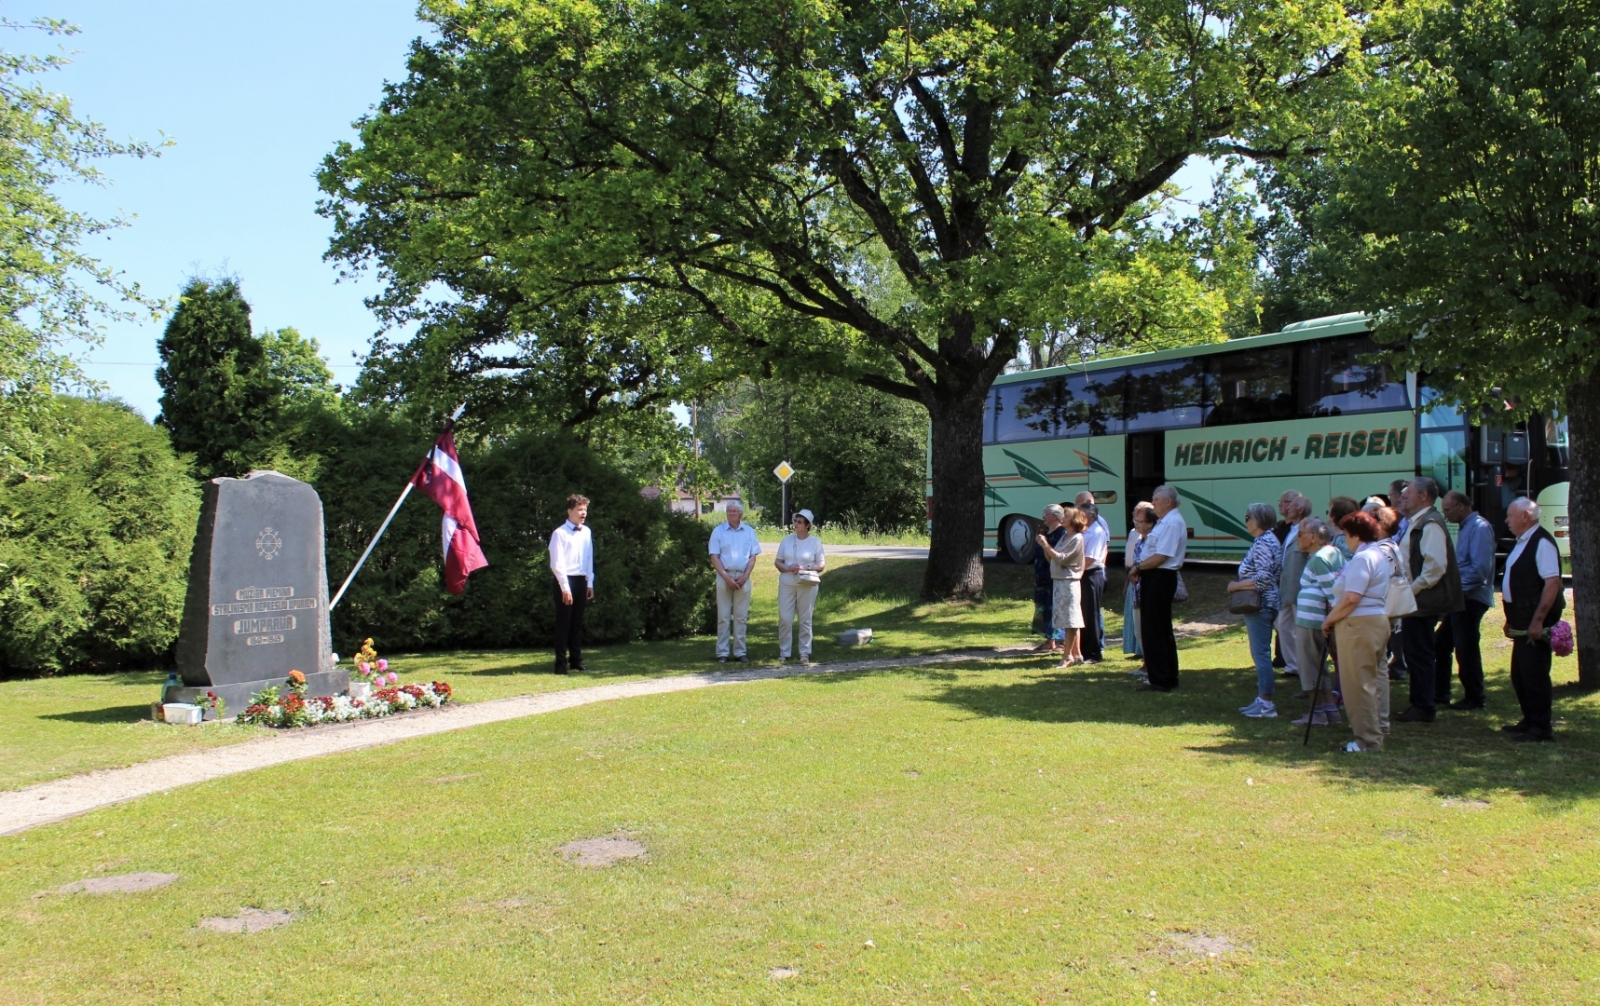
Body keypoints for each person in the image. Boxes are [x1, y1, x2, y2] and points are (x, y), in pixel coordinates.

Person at [1322, 511, 1396, 752]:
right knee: (1372, 679)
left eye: (1346, 535)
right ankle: (1377, 728)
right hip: (1375, 621)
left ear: (1356, 535)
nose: (1344, 540)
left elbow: (1352, 597)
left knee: (1357, 685)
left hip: (1359, 624)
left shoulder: (1363, 558)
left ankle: (1367, 740)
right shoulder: (1378, 554)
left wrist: (1329, 620)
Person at [1395, 477, 1465, 724]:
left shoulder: (1431, 523)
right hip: (1416, 600)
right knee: (1416, 652)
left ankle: (1424, 706)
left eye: (1409, 493)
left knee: (1420, 653)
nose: (1404, 497)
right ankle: (1420, 703)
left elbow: (1435, 567)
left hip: (1422, 602)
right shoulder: (1420, 521)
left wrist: (1411, 591)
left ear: (1423, 496)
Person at [1500, 498, 1565, 742]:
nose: (1506, 520)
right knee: (1520, 675)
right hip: (1521, 622)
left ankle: (1541, 727)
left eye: (1510, 515)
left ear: (1526, 515)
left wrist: (1538, 620)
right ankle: (1529, 719)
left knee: (1535, 676)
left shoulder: (1542, 542)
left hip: (1533, 624)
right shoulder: (1524, 541)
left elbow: (1552, 583)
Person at [1436, 490, 1494, 710]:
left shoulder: (1479, 528)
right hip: (1460, 598)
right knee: (1441, 643)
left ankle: (1475, 697)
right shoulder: (1467, 527)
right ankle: (1440, 692)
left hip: (1470, 598)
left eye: (1448, 510)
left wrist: (1456, 591)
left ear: (1461, 506)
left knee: (1466, 647)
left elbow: (1479, 570)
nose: (1446, 515)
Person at [1128, 485, 1186, 692]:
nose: (1153, 503)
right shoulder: (1165, 522)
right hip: (1153, 576)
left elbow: (1162, 556)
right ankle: (1163, 676)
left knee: (1156, 630)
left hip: (1160, 577)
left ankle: (1162, 679)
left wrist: (1138, 567)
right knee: (1156, 628)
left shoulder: (1172, 523)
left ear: (1168, 501)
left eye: (1156, 499)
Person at [1229, 502, 1283, 718]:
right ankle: (1262, 699)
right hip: (1265, 603)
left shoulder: (1263, 543)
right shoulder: (1267, 540)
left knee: (1260, 653)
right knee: (1260, 652)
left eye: (1248, 517)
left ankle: (1267, 703)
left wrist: (1235, 586)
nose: (1246, 521)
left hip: (1260, 604)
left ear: (1257, 520)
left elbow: (1263, 578)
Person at [1292, 518, 1345, 726]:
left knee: (1309, 668)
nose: (1298, 538)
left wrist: (1331, 621)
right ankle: (1330, 712)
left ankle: (1317, 714)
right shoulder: (1332, 553)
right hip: (1317, 621)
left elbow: (1334, 593)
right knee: (1319, 668)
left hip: (1313, 622)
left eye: (1301, 533)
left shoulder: (1319, 559)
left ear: (1314, 537)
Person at [708, 502, 762, 663]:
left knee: (741, 617)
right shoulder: (718, 532)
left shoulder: (749, 532)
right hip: (725, 576)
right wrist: (726, 577)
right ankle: (722, 653)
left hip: (743, 577)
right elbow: (714, 556)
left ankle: (740, 652)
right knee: (723, 617)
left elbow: (753, 557)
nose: (731, 514)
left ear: (741, 514)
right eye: (729, 511)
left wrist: (745, 576)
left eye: (735, 511)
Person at [549, 494, 595, 675]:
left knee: (576, 624)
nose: (583, 513)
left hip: (581, 580)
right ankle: (560, 664)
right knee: (564, 623)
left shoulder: (587, 532)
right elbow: (557, 563)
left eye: (585, 510)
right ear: (570, 511)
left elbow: (589, 558)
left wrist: (589, 581)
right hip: (565, 580)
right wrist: (565, 587)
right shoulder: (559, 533)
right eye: (579, 509)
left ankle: (576, 660)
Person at [1036, 508, 1087, 667]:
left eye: (1066, 516)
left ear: (1075, 520)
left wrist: (1046, 545)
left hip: (1069, 582)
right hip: (1058, 581)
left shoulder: (1077, 538)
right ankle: (1076, 654)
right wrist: (1045, 547)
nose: (1063, 518)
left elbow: (1062, 559)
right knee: (1067, 619)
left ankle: (1067, 657)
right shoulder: (1065, 537)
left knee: (1071, 619)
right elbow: (1052, 558)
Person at [774, 508, 826, 663]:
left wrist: (805, 568)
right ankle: (784, 652)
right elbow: (778, 562)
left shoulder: (815, 542)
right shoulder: (787, 540)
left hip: (807, 583)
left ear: (807, 525)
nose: (796, 524)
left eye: (800, 522)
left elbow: (821, 565)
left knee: (805, 618)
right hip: (787, 582)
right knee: (785, 617)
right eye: (795, 521)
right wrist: (788, 568)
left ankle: (804, 652)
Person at [1275, 495, 1311, 685]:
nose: (1287, 508)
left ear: (1301, 510)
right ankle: (1292, 665)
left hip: (1300, 587)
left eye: (1293, 506)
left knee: (1300, 629)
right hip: (1286, 585)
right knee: (1282, 625)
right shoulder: (1291, 528)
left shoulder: (1308, 528)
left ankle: (1303, 666)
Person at [1123, 503, 1156, 668]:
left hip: (1148, 588)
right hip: (1136, 588)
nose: (1136, 523)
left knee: (1149, 630)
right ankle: (1147, 664)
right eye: (1135, 519)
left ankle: (1151, 666)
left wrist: (1137, 571)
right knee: (1139, 629)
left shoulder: (1153, 539)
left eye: (1140, 520)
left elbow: (1153, 560)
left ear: (1150, 523)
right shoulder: (1139, 538)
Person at [1078, 500, 1109, 662]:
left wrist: (1074, 572)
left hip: (1091, 574)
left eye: (1080, 513)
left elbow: (1090, 558)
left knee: (1091, 614)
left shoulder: (1097, 532)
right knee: (1082, 614)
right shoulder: (1084, 530)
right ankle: (1083, 650)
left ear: (1091, 515)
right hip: (1082, 574)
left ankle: (1094, 652)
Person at [1033, 505, 1068, 652]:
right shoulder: (1046, 533)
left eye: (1045, 514)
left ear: (1054, 516)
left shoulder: (1062, 534)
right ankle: (1049, 640)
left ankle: (1061, 641)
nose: (1043, 517)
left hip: (1055, 576)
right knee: (1045, 607)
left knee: (1056, 607)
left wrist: (1044, 544)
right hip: (1043, 577)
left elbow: (1058, 556)